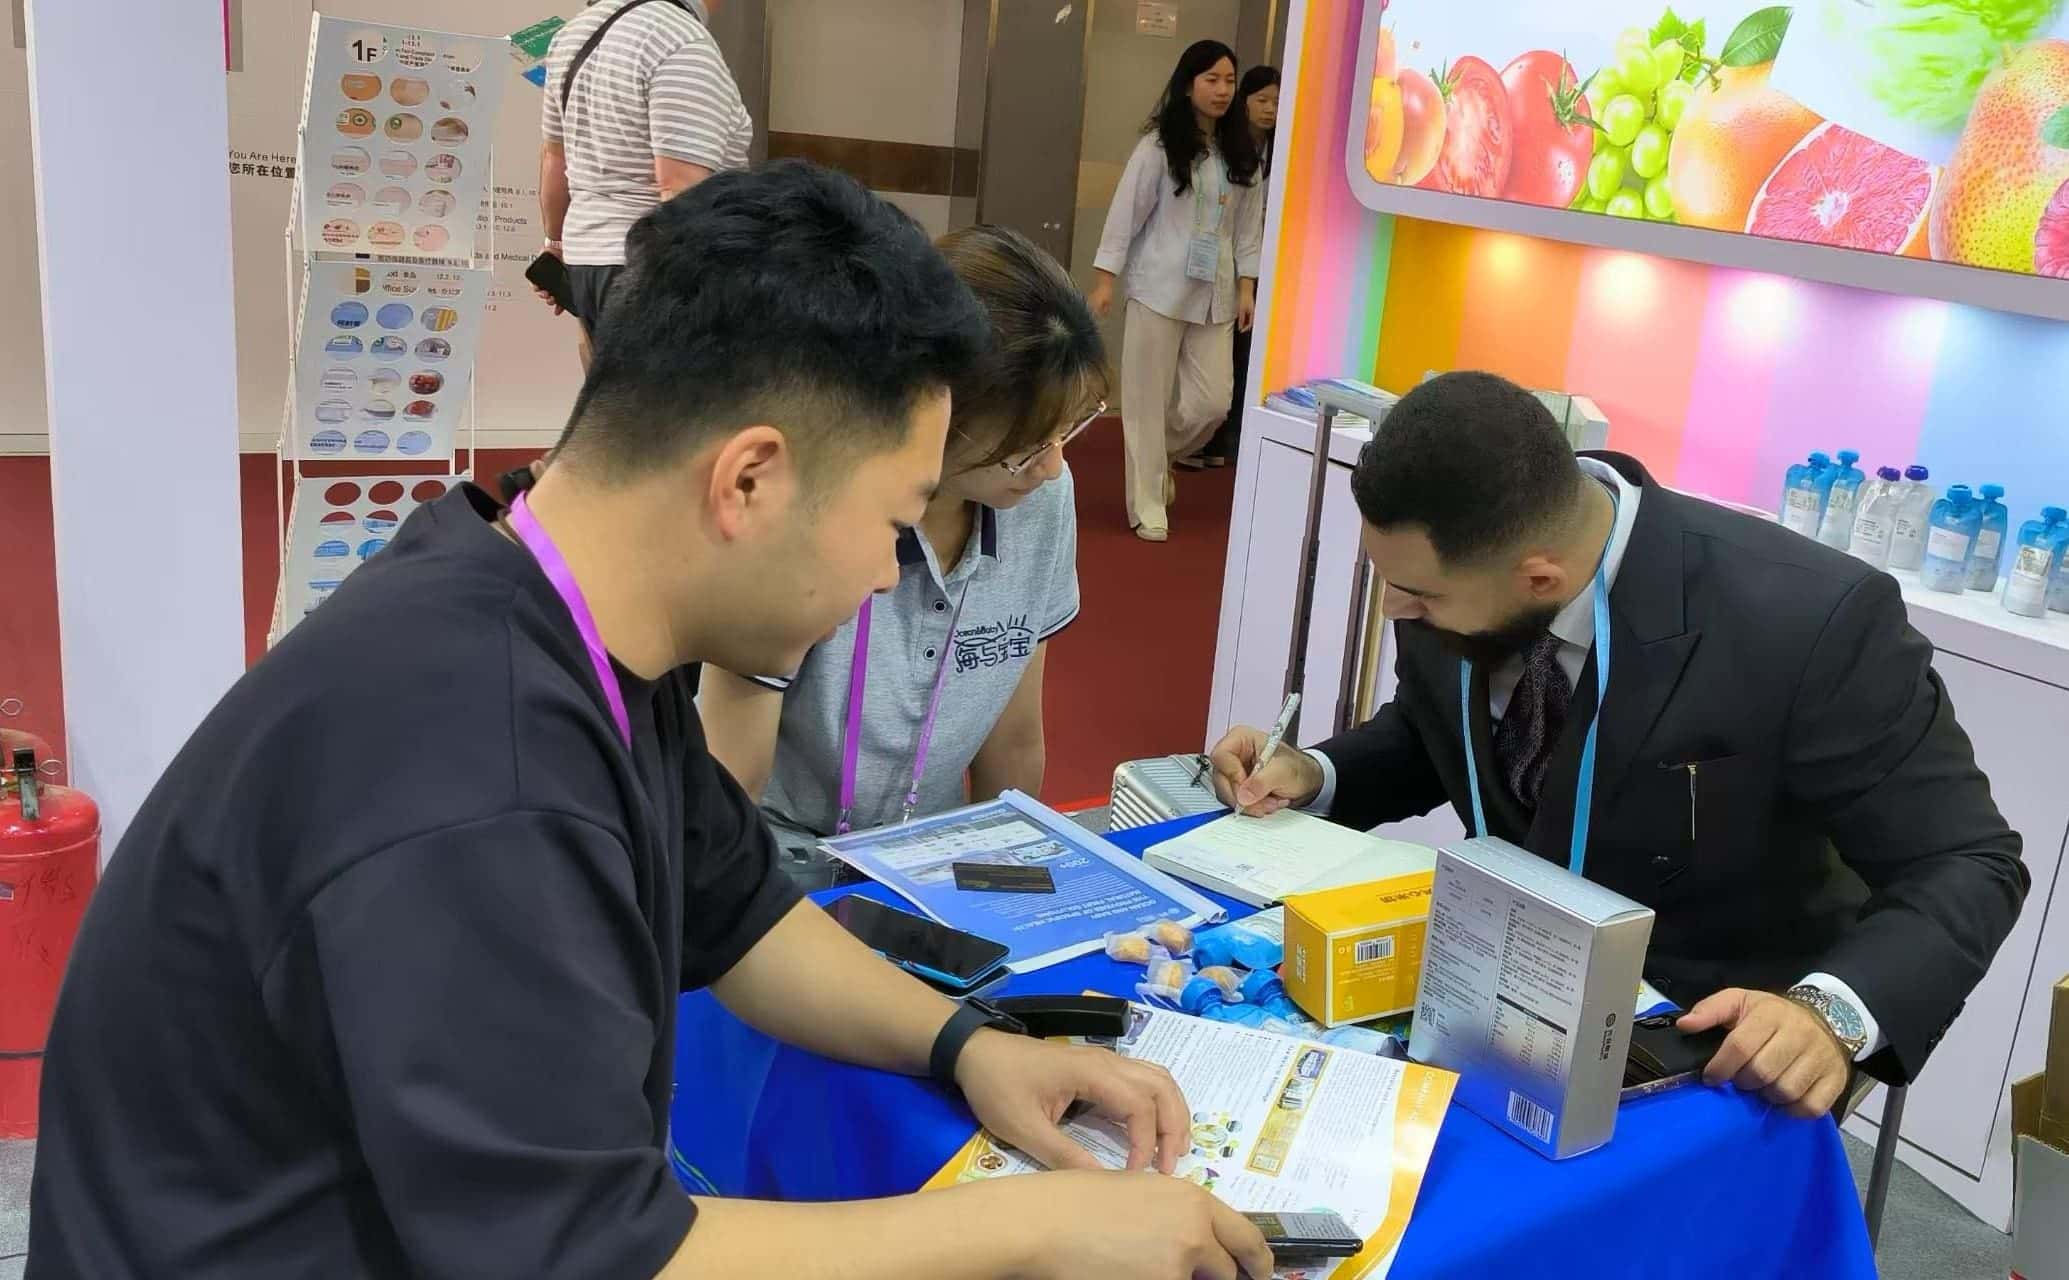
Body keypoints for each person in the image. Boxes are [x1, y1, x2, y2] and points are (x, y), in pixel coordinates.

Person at [29, 163, 1272, 1280]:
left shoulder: (555, 604)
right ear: (748, 479)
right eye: (893, 523)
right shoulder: (477, 769)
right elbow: (598, 1254)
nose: (884, 575)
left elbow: (739, 913)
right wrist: (1038, 1229)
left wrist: (970, 1046)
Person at [1211, 371, 2029, 1118]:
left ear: (1540, 578)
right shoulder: (1461, 560)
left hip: (1708, 1024)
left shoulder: (1808, 622)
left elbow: (1966, 860)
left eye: (1417, 596)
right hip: (1495, 980)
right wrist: (1318, 773)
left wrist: (1828, 1014)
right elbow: (1439, 731)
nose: (1395, 610)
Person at [701, 224, 1106, 889]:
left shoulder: (1041, 498)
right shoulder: (806, 510)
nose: (1051, 465)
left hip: (931, 859)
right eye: (1027, 442)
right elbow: (728, 772)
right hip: (777, 858)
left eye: (1068, 429)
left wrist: (1005, 894)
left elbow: (1013, 736)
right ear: (939, 409)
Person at [1090, 39, 1266, 543]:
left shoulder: (1243, 155)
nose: (1222, 90)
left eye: (1229, 81)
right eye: (1211, 79)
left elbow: (1248, 229)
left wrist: (1248, 287)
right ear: (1188, 85)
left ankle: (1154, 456)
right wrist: (1106, 279)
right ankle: (1148, 506)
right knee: (1145, 400)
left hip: (1217, 295)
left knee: (1212, 404)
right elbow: (1126, 213)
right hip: (1158, 288)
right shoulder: (1158, 147)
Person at [536, 0, 751, 363]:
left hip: (587, 263)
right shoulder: (679, 39)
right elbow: (681, 189)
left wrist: (554, 245)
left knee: (609, 397)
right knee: (677, 399)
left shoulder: (573, 34)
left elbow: (554, 159)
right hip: (655, 273)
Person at [1186, 64, 1279, 473]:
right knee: (1221, 358)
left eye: (1277, 102)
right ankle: (1199, 439)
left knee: (1243, 358)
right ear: (1245, 102)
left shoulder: (1282, 149)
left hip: (1264, 262)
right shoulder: (1227, 145)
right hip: (1219, 261)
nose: (1270, 110)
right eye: (1262, 100)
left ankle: (1229, 436)